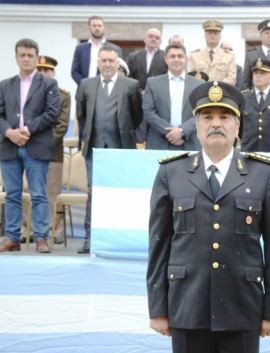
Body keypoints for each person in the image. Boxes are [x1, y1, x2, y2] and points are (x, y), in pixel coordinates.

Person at [147, 80, 270, 353]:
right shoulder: (170, 173)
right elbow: (158, 246)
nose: (216, 124)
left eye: (224, 117)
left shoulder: (263, 174)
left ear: (237, 127)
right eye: (207, 117)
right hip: (187, 305)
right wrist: (158, 307)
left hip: (243, 306)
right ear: (195, 126)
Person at [75, 45, 143, 254]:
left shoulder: (130, 85)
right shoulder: (86, 85)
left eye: (111, 61)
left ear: (118, 62)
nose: (107, 64)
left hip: (122, 150)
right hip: (95, 151)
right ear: (98, 62)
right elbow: (81, 115)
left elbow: (137, 116)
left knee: (122, 195)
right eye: (103, 60)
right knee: (94, 194)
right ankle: (89, 239)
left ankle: (120, 239)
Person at [0, 38, 60, 253]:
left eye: (30, 55)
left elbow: (52, 113)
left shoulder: (49, 84)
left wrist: (26, 131)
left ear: (37, 58)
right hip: (9, 146)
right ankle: (12, 237)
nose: (26, 59)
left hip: (36, 146)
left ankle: (41, 237)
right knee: (13, 194)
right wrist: (9, 132)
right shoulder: (5, 85)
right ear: (16, 57)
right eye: (22, 55)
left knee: (39, 194)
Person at [21, 55, 70, 245]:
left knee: (51, 192)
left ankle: (52, 231)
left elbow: (61, 126)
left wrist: (40, 142)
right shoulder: (25, 93)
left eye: (46, 70)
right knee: (27, 190)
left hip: (51, 152)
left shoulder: (63, 95)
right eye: (39, 70)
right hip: (26, 150)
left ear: (53, 73)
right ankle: (27, 229)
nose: (42, 73)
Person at [143, 43, 204, 151]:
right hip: (159, 143)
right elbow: (148, 111)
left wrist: (182, 131)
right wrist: (171, 133)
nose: (176, 59)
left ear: (186, 59)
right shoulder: (153, 83)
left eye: (180, 56)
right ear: (166, 59)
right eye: (172, 56)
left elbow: (202, 113)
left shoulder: (198, 84)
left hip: (190, 142)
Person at [127, 28, 168, 144]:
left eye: (157, 37)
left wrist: (151, 91)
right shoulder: (133, 56)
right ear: (145, 39)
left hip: (158, 100)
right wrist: (139, 91)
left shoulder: (165, 57)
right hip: (138, 98)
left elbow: (166, 77)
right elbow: (128, 76)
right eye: (151, 36)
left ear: (160, 42)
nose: (154, 39)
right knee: (139, 131)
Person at [71, 15, 122, 87]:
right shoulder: (80, 49)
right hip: (85, 90)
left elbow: (119, 71)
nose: (97, 28)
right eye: (94, 26)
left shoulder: (115, 49)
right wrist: (84, 85)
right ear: (89, 28)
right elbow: (74, 72)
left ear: (103, 27)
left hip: (107, 90)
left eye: (99, 26)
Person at [188, 20, 236, 85]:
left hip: (221, 92)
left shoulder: (229, 57)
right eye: (210, 33)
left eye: (215, 33)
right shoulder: (194, 56)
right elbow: (189, 77)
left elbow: (231, 79)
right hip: (200, 92)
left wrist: (215, 87)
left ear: (220, 36)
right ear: (205, 35)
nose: (212, 35)